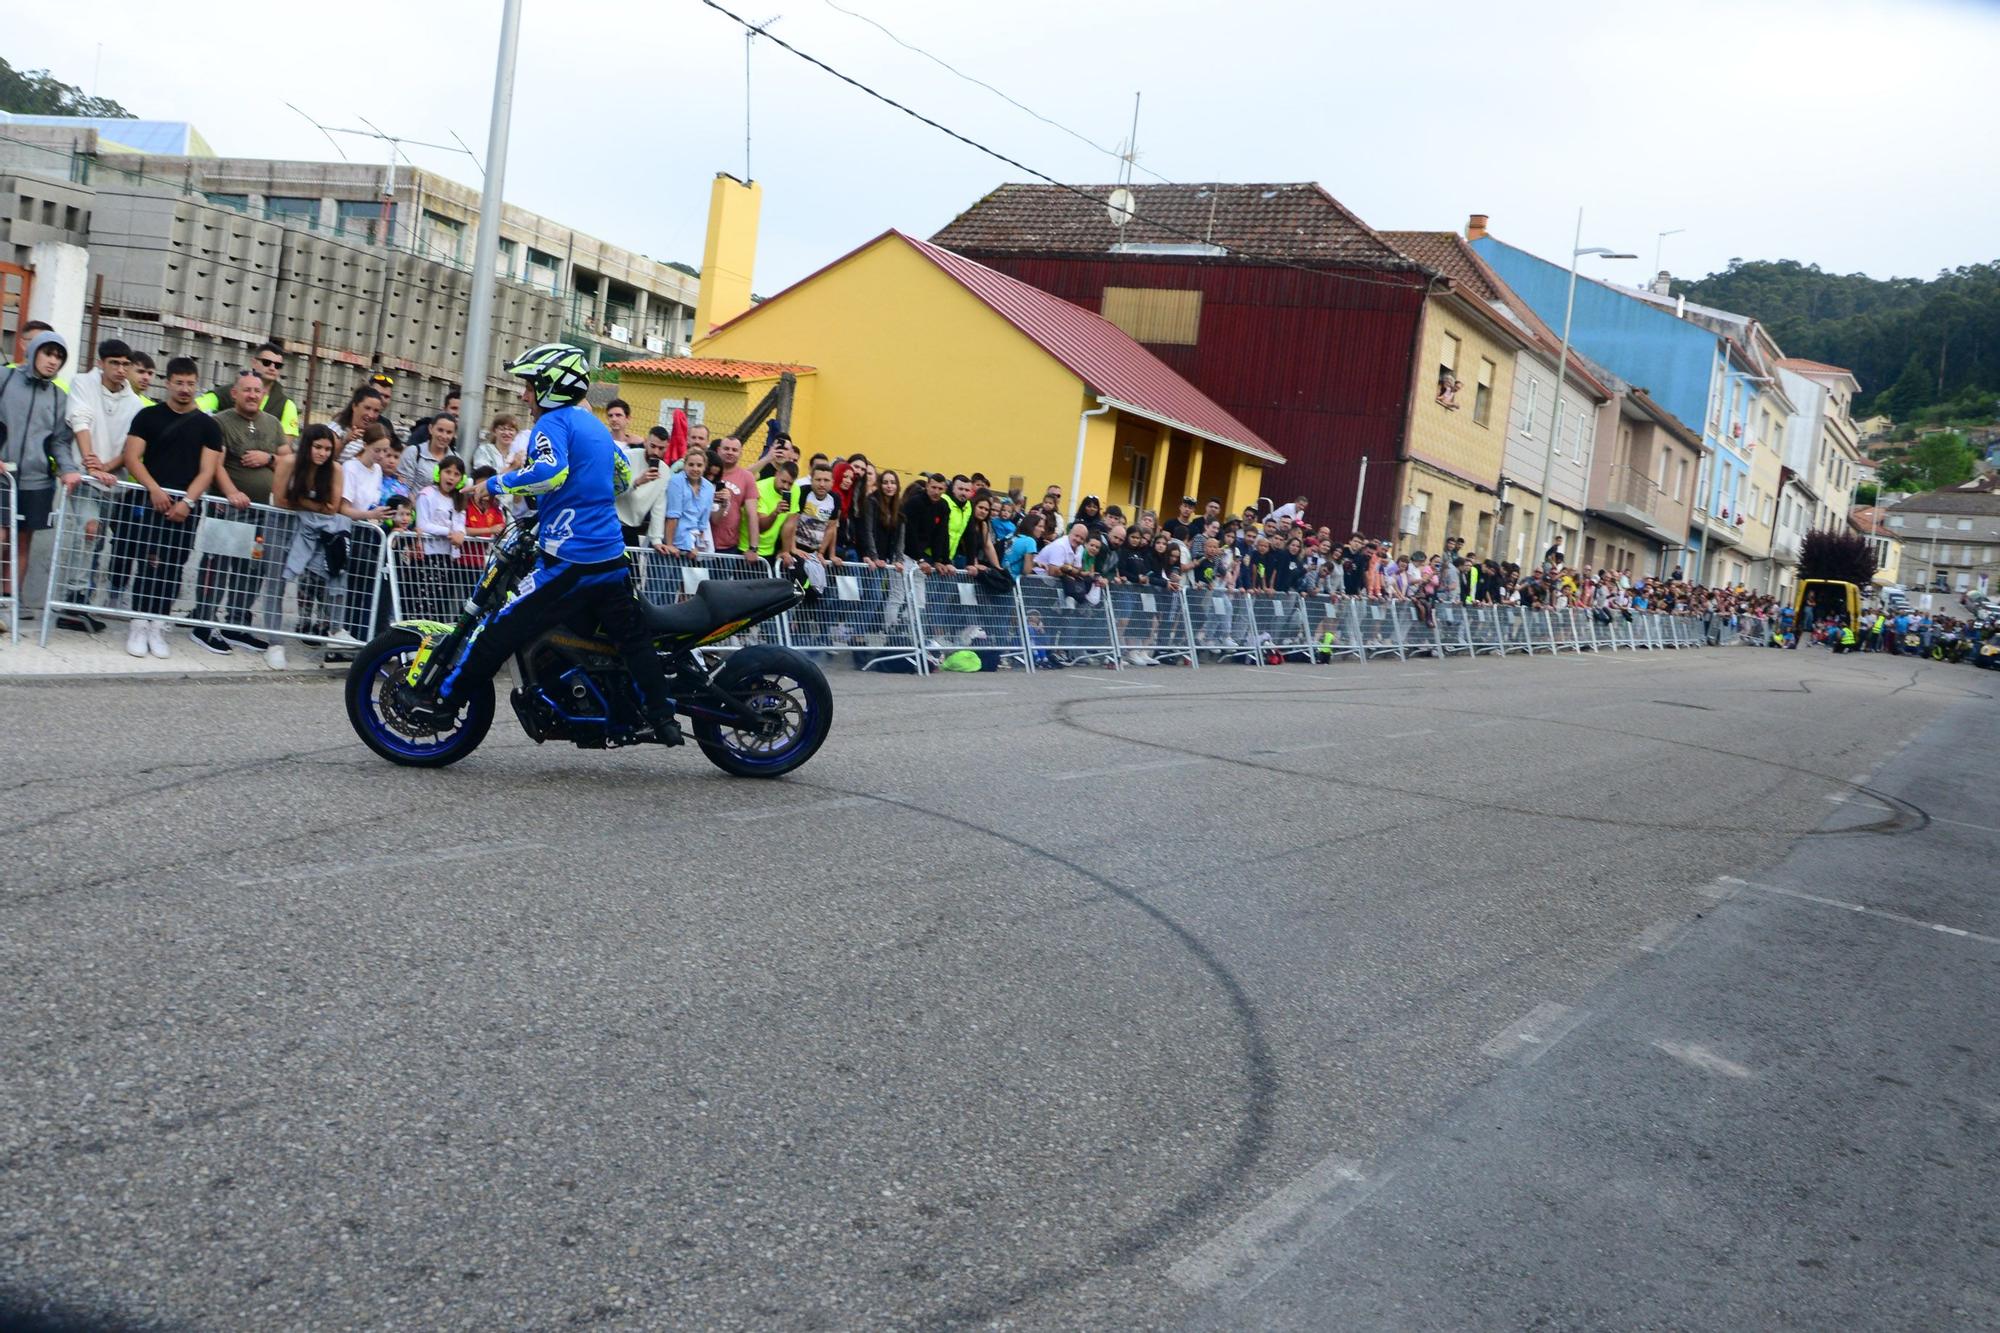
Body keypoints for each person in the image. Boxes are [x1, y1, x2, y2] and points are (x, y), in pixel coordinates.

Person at [402, 344, 680, 743]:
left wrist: (492, 485)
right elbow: (618, 480)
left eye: (531, 385)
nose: (524, 395)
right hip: (608, 556)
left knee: (498, 628)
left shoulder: (552, 424)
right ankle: (662, 715)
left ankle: (444, 706)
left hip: (569, 559)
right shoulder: (596, 428)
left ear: (551, 386)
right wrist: (565, 501)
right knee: (631, 638)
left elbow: (550, 473)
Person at [117, 355, 222, 659]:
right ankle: (138, 623)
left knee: (174, 565)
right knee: (146, 561)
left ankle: (158, 625)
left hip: (186, 508)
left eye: (191, 383)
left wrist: (188, 502)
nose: (185, 389)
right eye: (179, 382)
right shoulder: (147, 417)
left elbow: (208, 470)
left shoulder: (208, 426)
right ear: (168, 383)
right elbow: (132, 457)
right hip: (148, 503)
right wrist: (154, 490)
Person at [0, 331, 84, 630]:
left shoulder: (59, 397)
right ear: (34, 351)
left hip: (37, 480)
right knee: (0, 537)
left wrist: (68, 469)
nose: (53, 361)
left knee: (22, 540)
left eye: (59, 356)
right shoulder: (6, 379)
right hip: (3, 475)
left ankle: (8, 602)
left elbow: (60, 442)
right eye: (48, 353)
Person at [269, 423, 349, 668]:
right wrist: (314, 505)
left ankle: (336, 630)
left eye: (327, 449)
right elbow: (281, 500)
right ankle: (275, 643)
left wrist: (301, 502)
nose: (322, 453)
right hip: (282, 524)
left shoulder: (334, 469)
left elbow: (333, 507)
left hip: (316, 528)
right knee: (276, 582)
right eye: (317, 447)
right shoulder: (288, 463)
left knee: (334, 573)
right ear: (307, 446)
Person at [197, 341, 301, 441]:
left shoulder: (287, 405)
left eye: (278, 365)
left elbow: (284, 447)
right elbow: (194, 409)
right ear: (254, 363)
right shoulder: (225, 393)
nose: (272, 368)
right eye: (267, 362)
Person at [616, 427, 674, 547]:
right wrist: (637, 482)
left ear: (667, 448)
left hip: (632, 527)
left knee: (633, 565)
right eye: (653, 446)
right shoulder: (627, 457)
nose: (656, 452)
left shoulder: (665, 471)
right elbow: (613, 490)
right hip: (611, 522)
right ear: (646, 442)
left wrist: (656, 540)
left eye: (661, 448)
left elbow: (659, 506)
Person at [655, 444, 715, 556]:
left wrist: (695, 546)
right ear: (684, 465)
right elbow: (672, 516)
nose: (695, 469)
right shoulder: (676, 481)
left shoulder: (709, 488)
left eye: (699, 465)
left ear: (705, 467)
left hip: (692, 545)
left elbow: (702, 523)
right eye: (691, 465)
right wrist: (670, 544)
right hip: (672, 544)